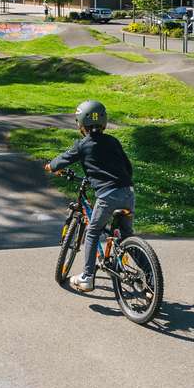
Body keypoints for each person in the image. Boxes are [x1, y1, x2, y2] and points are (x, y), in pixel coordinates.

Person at [45, 99, 134, 292]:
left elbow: (63, 160)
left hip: (107, 195)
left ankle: (87, 277)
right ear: (104, 122)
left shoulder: (82, 145)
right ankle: (149, 275)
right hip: (128, 192)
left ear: (80, 123)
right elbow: (128, 167)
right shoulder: (113, 141)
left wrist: (51, 166)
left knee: (93, 232)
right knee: (127, 236)